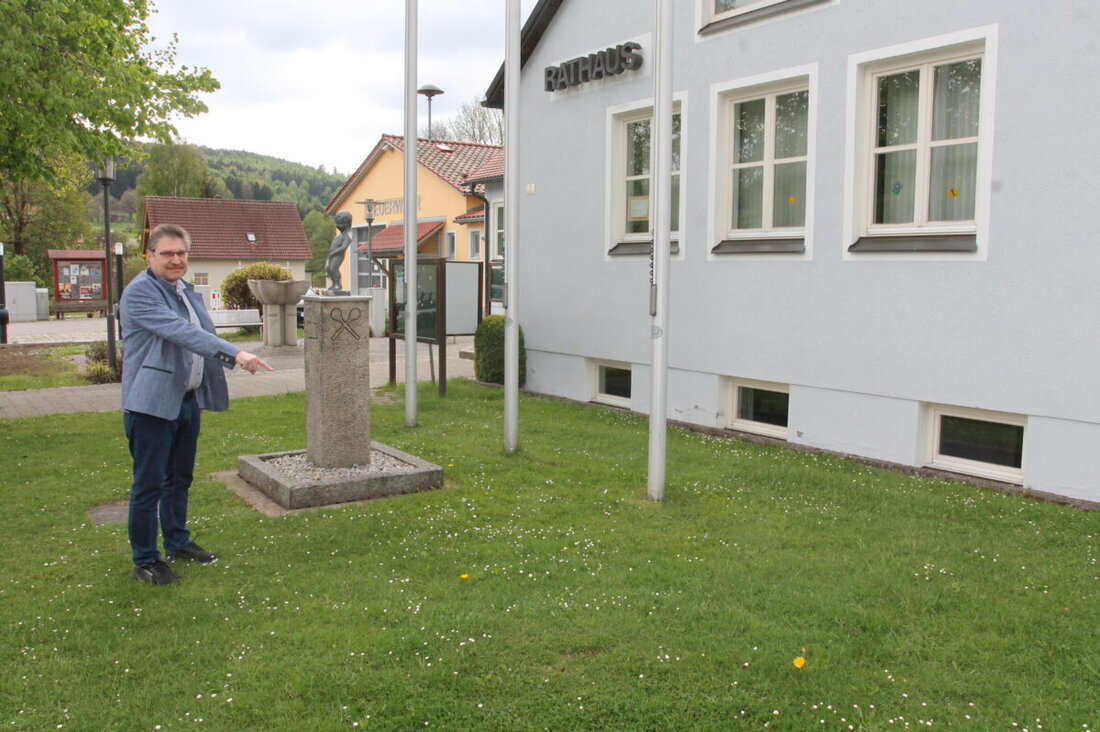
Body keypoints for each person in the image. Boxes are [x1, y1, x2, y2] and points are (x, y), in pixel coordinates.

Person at [120, 223, 274, 585]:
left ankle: (177, 541)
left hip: (186, 401)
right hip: (151, 405)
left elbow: (200, 341)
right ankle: (146, 560)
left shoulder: (184, 290)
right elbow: (183, 333)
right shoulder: (140, 292)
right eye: (167, 253)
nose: (176, 260)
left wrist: (199, 392)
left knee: (179, 479)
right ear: (149, 255)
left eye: (181, 253)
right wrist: (237, 354)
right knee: (149, 485)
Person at [325, 210, 354, 294]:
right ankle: (334, 283)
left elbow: (343, 247)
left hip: (338, 255)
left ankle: (338, 284)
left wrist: (333, 253)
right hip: (332, 254)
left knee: (333, 268)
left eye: (339, 224)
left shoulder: (348, 234)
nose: (337, 226)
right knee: (328, 268)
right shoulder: (342, 234)